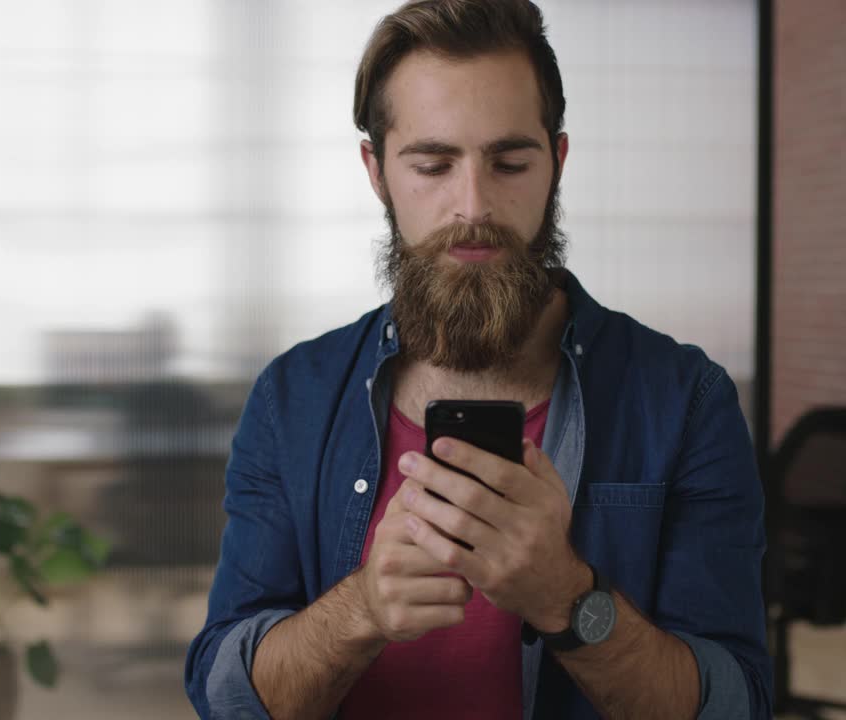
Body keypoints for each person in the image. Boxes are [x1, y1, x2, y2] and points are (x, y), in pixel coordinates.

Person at [184, 1, 770, 718]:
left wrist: (567, 597)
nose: (473, 205)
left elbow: (736, 704)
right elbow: (225, 695)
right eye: (432, 163)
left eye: (510, 161)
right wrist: (362, 608)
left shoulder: (685, 401)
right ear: (377, 171)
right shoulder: (292, 398)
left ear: (556, 161)